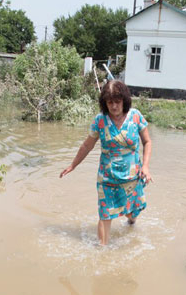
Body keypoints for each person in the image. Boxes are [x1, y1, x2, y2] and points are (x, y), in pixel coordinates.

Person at [60, 80, 153, 245]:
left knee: (132, 213)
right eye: (110, 102)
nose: (114, 106)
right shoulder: (100, 121)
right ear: (104, 103)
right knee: (105, 214)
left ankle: (131, 220)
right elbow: (87, 145)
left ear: (124, 100)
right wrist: (73, 165)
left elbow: (147, 142)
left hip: (131, 177)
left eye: (117, 101)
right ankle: (101, 250)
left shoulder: (135, 116)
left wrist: (145, 166)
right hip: (107, 178)